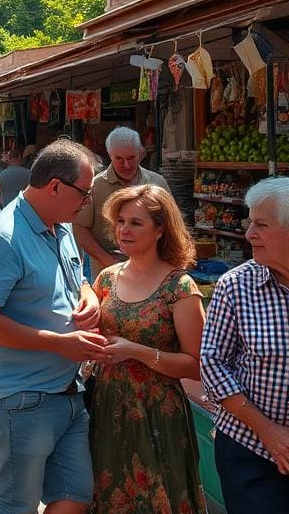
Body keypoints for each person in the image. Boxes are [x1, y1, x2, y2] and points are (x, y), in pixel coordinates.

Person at [0, 139, 104, 514]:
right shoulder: (3, 238)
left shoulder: (60, 226)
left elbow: (79, 279)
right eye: (84, 193)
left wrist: (89, 295)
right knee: (17, 506)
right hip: (22, 396)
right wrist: (60, 344)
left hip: (64, 390)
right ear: (55, 187)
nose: (87, 202)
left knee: (75, 497)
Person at [90, 184, 206, 514]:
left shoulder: (180, 286)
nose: (124, 229)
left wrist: (136, 351)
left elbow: (196, 364)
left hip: (158, 410)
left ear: (159, 230)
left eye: (136, 223)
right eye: (121, 220)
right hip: (109, 405)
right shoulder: (107, 278)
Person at [201, 177, 289, 513]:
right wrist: (269, 433)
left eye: (261, 225)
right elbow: (212, 363)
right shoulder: (236, 286)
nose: (249, 233)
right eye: (249, 222)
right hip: (250, 448)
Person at [74, 127, 170, 279]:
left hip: (152, 274)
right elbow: (80, 230)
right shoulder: (95, 186)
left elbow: (170, 226)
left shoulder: (157, 182)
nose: (126, 165)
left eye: (131, 158)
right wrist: (110, 263)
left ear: (141, 154)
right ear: (109, 155)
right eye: (119, 159)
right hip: (107, 275)